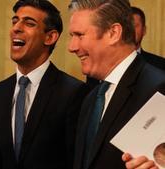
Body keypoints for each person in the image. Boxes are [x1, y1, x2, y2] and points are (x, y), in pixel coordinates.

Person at [0, 0, 87, 168]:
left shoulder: (73, 93)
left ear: (50, 37)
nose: (16, 28)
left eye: (29, 23)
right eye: (15, 21)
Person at [67, 0, 165, 169]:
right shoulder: (91, 99)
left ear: (113, 33)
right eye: (72, 36)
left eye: (80, 35)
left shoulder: (160, 88)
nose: (72, 47)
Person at [132, 6, 165, 70]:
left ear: (144, 30)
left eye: (135, 25)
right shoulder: (108, 63)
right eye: (127, 25)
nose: (131, 29)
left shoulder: (160, 65)